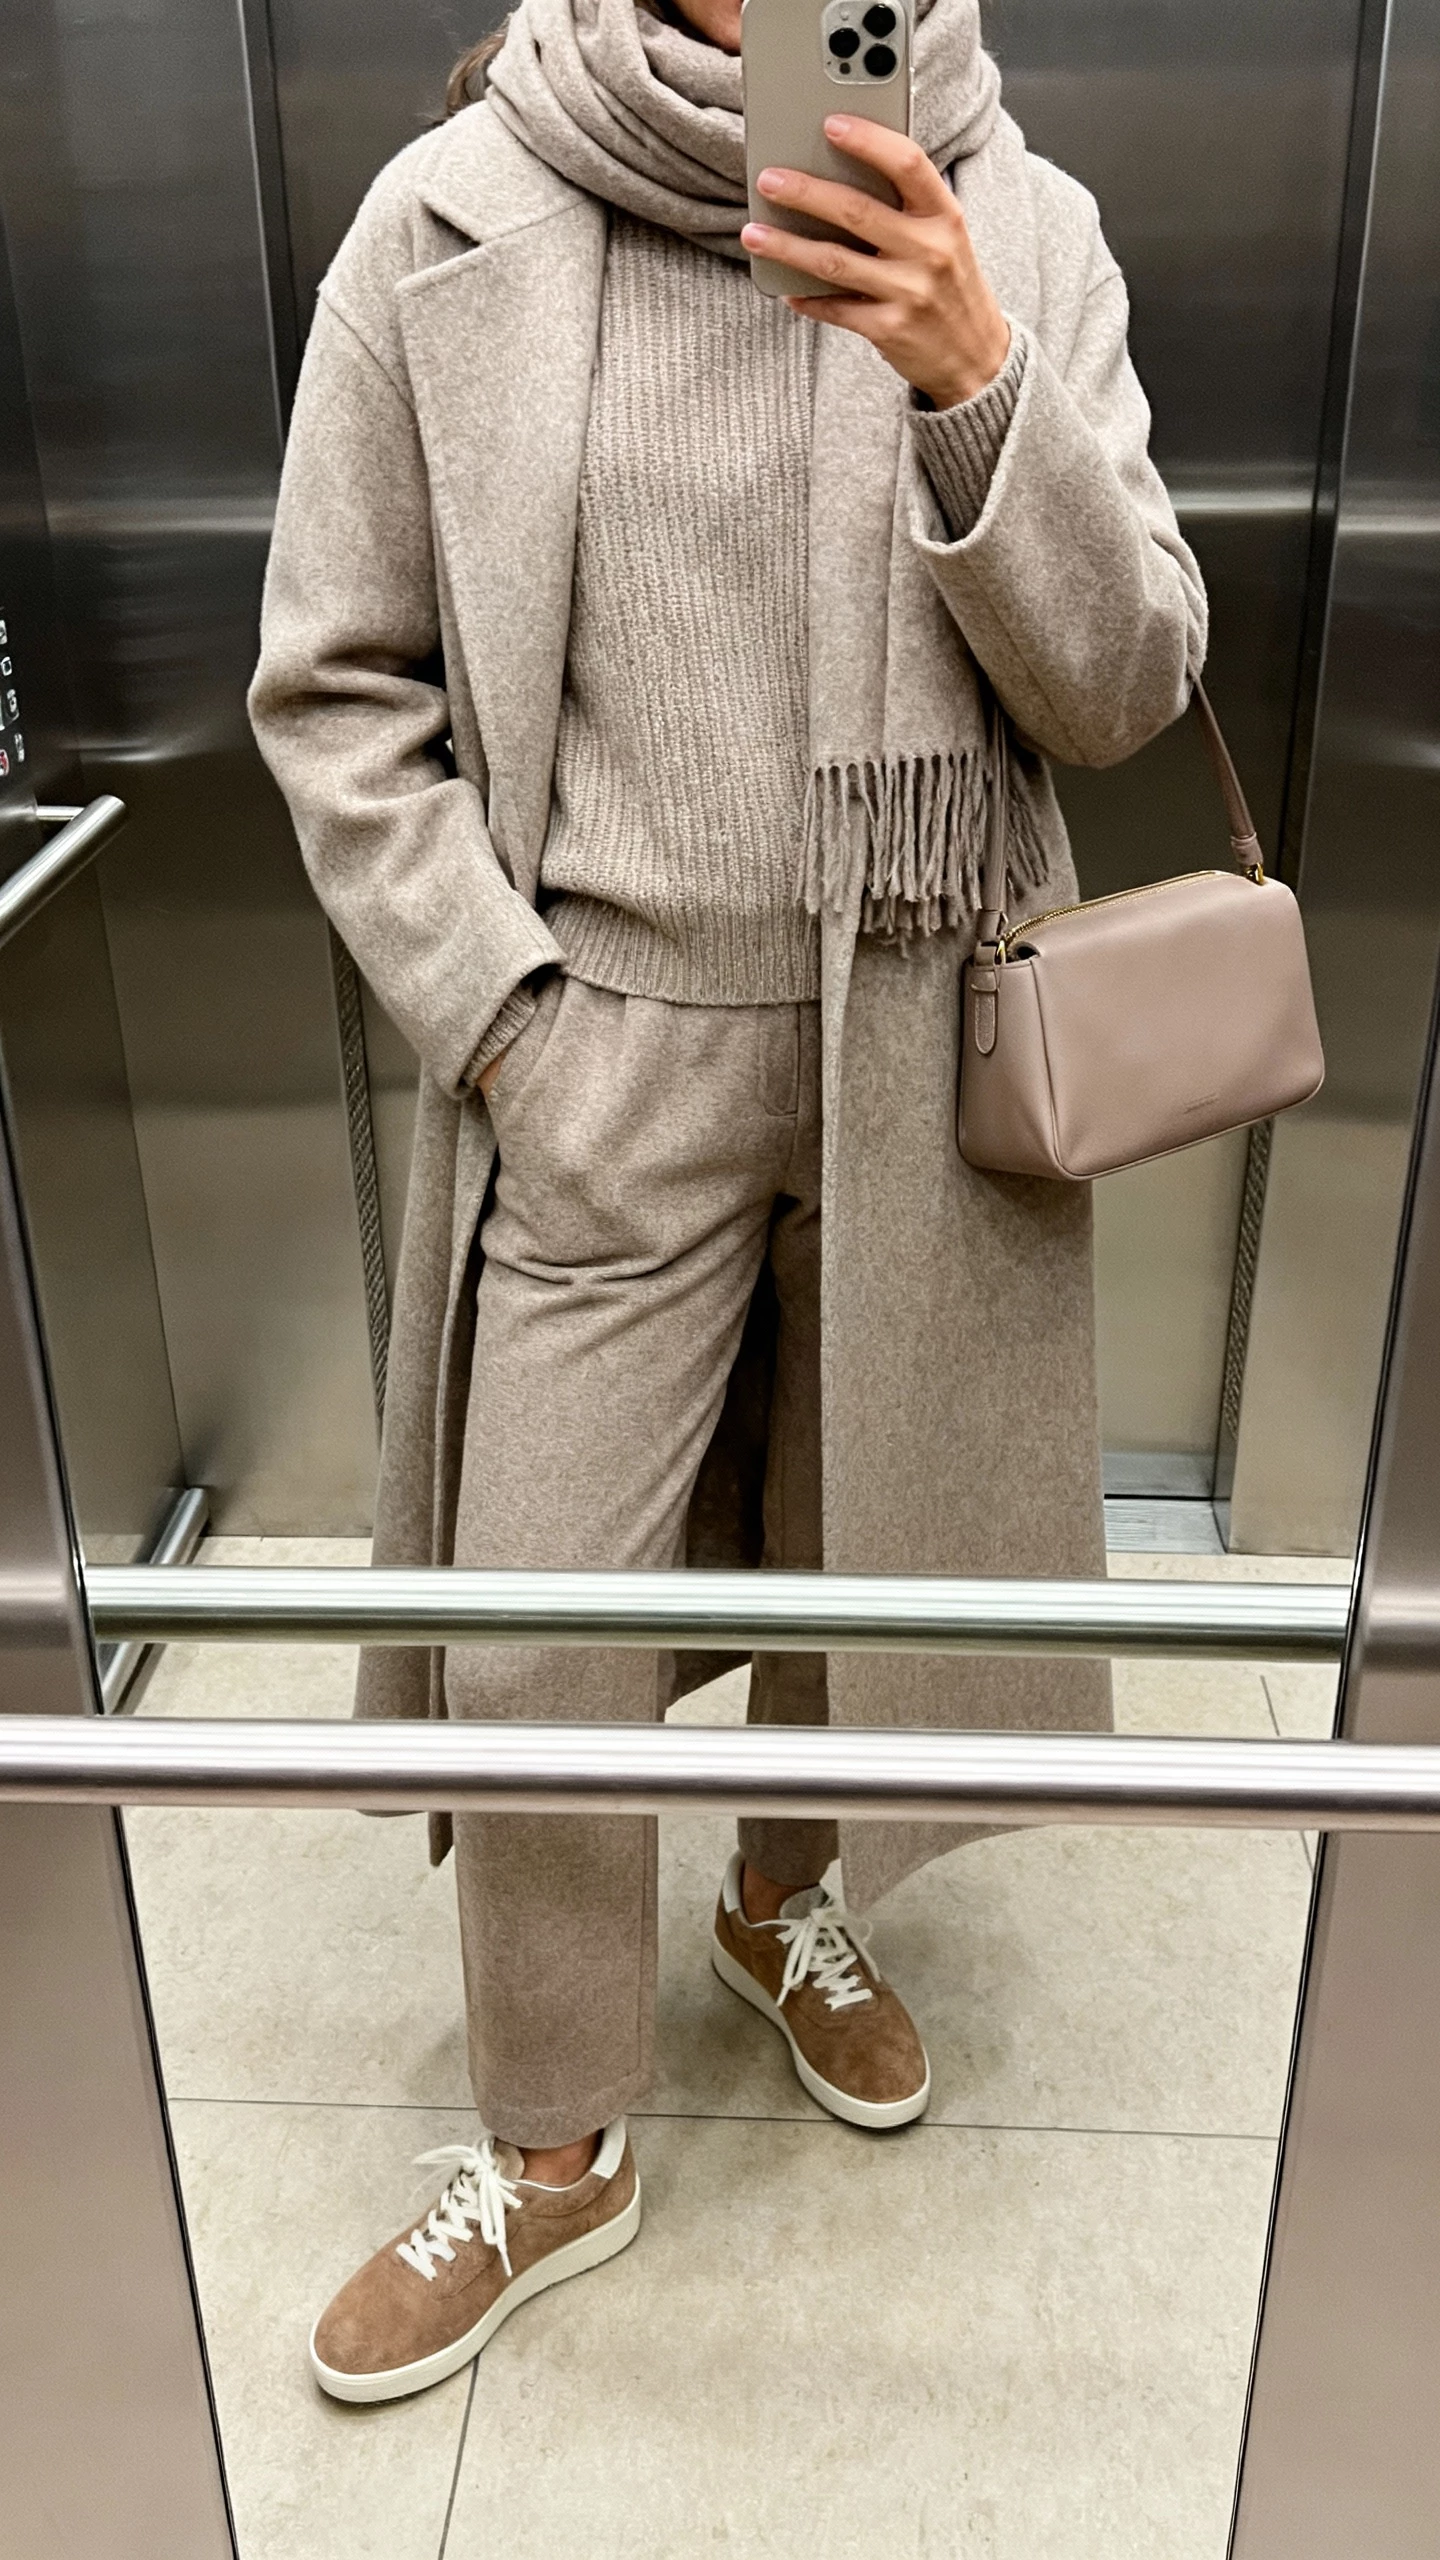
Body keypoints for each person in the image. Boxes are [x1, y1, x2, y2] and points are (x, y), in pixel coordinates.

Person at [249, 0, 1205, 2405]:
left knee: (844, 1517)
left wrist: (974, 368)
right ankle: (554, 2139)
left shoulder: (1024, 223)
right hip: (606, 1039)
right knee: (542, 1611)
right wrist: (513, 1026)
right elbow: (333, 693)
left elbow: (1127, 683)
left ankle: (791, 1895)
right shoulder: (450, 214)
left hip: (933, 1024)